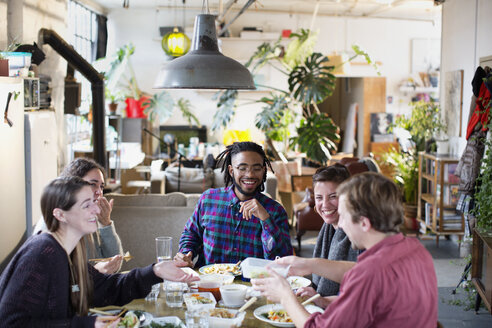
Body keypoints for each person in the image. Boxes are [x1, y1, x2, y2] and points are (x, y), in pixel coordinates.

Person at [0, 177, 198, 327]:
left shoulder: (70, 253)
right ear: (60, 214)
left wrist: (156, 271)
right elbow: (11, 323)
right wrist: (88, 324)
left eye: (94, 202)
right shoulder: (42, 252)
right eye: (86, 205)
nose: (96, 210)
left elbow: (109, 288)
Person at [252, 172, 438, 328]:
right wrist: (310, 267)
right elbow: (363, 277)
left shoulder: (370, 274)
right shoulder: (415, 249)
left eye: (344, 216)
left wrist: (285, 296)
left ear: (364, 223)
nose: (340, 223)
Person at [175, 141, 293, 267]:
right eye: (242, 168)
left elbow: (283, 260)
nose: (250, 174)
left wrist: (266, 220)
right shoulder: (208, 199)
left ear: (263, 170)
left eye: (256, 168)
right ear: (231, 170)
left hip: (254, 284)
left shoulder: (275, 210)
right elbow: (191, 234)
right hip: (210, 282)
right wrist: (186, 253)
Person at [34, 158, 123, 274]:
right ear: (72, 184)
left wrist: (106, 223)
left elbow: (115, 266)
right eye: (92, 184)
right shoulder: (55, 222)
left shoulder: (90, 215)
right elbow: (57, 279)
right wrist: (94, 272)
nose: (99, 192)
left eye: (101, 186)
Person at [296, 164, 359, 308]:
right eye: (319, 197)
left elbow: (361, 291)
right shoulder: (328, 227)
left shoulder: (359, 233)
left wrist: (322, 301)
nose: (325, 205)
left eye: (333, 197)